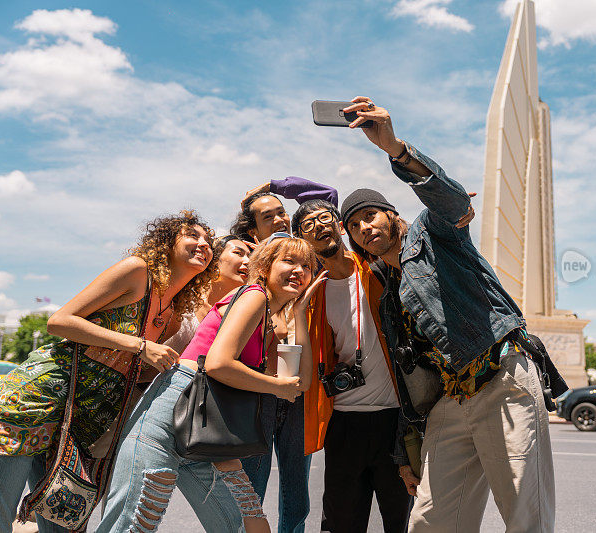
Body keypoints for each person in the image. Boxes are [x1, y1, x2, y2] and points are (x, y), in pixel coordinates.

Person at [341, 96, 556, 533]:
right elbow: (409, 379)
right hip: (449, 401)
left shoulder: (432, 233)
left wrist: (396, 150)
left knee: (524, 515)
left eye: (370, 216)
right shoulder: (389, 296)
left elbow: (454, 203)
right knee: (430, 522)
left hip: (502, 381)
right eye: (355, 226)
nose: (365, 228)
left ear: (392, 215)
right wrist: (406, 450)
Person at [0, 211, 218, 533]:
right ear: (167, 241)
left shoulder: (173, 312)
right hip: (33, 400)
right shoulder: (138, 272)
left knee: (64, 524)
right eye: (193, 235)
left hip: (78, 423)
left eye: (209, 240)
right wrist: (139, 345)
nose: (203, 244)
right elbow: (60, 321)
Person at [97, 236, 327, 533]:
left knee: (243, 523)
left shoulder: (273, 318)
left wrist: (299, 312)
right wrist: (274, 387)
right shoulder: (254, 295)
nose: (299, 270)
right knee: (133, 523)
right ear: (266, 267)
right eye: (289, 261)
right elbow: (218, 364)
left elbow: (299, 383)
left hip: (213, 422)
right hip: (175, 407)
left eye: (306, 265)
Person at [290, 199, 410, 533]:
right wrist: (300, 314)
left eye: (324, 217)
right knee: (342, 524)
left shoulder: (377, 270)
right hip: (343, 423)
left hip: (394, 420)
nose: (318, 226)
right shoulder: (310, 292)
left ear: (340, 226)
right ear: (303, 240)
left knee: (403, 521)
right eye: (307, 225)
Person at [232, 177, 337, 533]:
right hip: (257, 391)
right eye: (268, 217)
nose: (280, 220)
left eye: (282, 213)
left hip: (298, 389)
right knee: (251, 490)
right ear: (252, 231)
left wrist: (276, 184)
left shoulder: (305, 260)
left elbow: (327, 198)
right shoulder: (244, 264)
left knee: (297, 492)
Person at [164, 235, 253, 354]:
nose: (248, 262)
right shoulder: (181, 297)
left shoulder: (239, 314)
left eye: (251, 257)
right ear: (214, 260)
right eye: (238, 253)